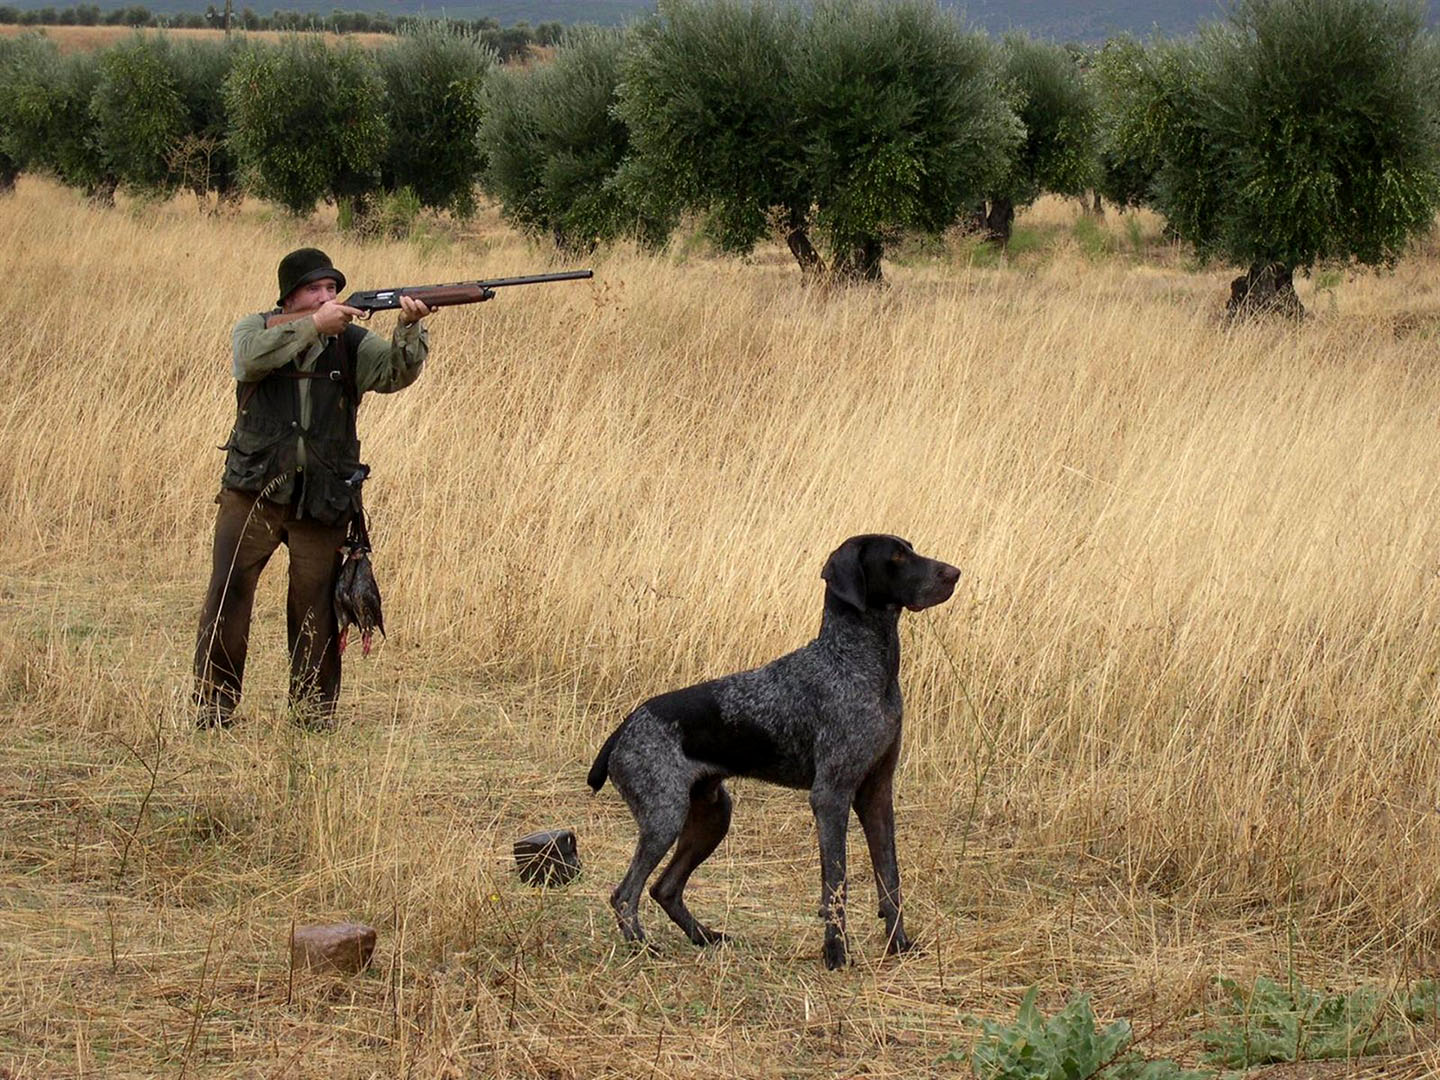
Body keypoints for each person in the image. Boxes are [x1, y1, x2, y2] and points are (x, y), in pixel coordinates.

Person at [194, 248, 432, 730]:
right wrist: (313, 327)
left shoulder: (350, 342)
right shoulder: (254, 328)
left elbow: (393, 373)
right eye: (315, 290)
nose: (328, 298)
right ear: (290, 296)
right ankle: (214, 706)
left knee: (316, 608)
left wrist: (409, 328)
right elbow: (247, 362)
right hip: (253, 489)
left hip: (323, 495)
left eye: (332, 289)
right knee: (229, 595)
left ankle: (312, 714)